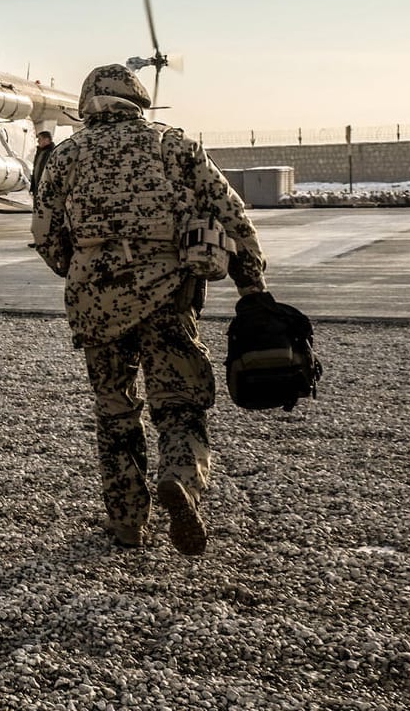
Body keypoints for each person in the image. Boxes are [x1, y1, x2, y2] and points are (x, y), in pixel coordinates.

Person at [30, 64, 268, 556]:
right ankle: (181, 480)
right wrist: (253, 286)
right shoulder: (173, 146)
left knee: (114, 410)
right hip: (168, 298)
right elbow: (231, 214)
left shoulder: (65, 156)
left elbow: (46, 236)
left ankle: (126, 524)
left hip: (94, 303)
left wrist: (83, 270)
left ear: (87, 104)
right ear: (137, 102)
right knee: (180, 404)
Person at [30, 130, 54, 196]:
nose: (38, 141)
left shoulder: (52, 153)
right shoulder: (40, 152)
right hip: (37, 187)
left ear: (46, 140)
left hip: (45, 188)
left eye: (40, 139)